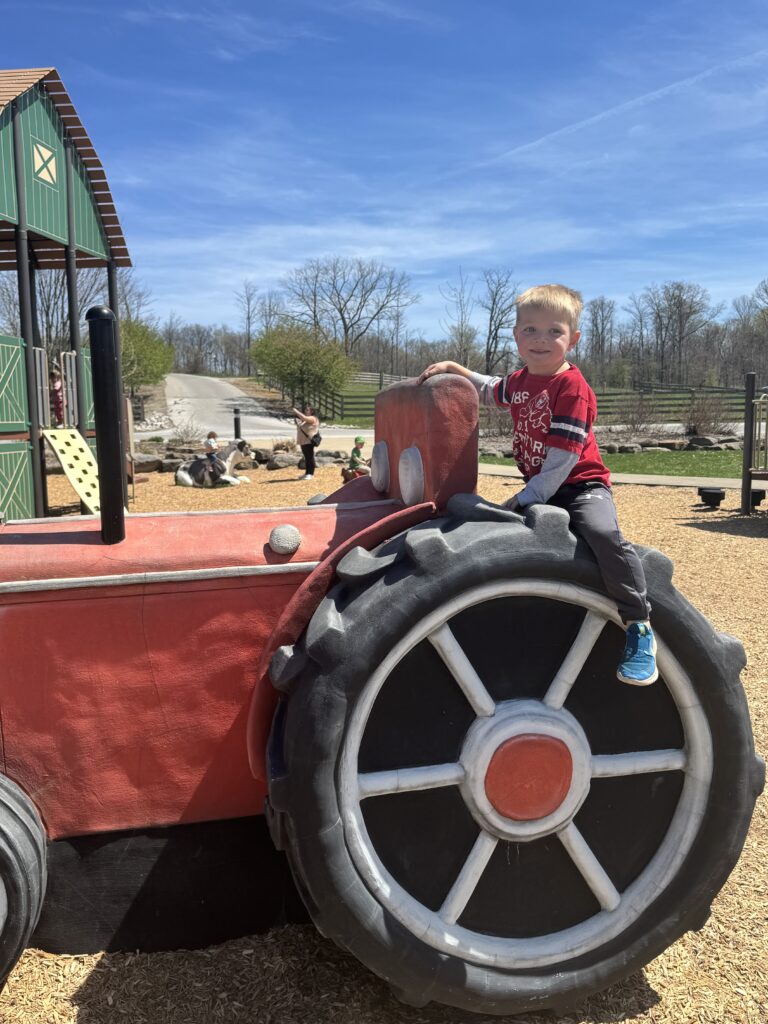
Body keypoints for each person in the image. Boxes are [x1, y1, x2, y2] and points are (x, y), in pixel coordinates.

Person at [418, 283, 657, 686]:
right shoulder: (523, 379)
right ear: (516, 336)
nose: (541, 339)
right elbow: (492, 390)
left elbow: (562, 461)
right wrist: (457, 371)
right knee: (500, 540)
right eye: (530, 329)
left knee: (601, 533)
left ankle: (639, 623)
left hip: (579, 486)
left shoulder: (572, 389)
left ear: (573, 339)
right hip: (541, 487)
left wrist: (522, 500)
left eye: (554, 331)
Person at [292, 405, 319, 480]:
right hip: (303, 441)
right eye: (306, 410)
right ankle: (307, 473)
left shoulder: (313, 418)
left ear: (312, 411)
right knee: (306, 458)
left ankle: (311, 473)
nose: (305, 411)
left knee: (310, 457)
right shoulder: (304, 420)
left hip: (309, 441)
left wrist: (296, 411)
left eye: (307, 410)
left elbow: (304, 417)